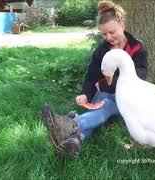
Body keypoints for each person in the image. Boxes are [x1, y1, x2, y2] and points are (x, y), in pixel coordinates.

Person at [40, 0, 148, 157]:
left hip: (126, 101)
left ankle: (71, 125)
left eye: (112, 32)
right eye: (104, 34)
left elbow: (140, 76)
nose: (108, 37)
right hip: (103, 96)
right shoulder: (101, 50)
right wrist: (86, 94)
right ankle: (74, 140)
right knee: (105, 103)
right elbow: (91, 75)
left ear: (122, 25)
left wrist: (103, 85)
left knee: (108, 104)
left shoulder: (137, 48)